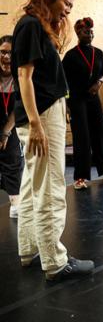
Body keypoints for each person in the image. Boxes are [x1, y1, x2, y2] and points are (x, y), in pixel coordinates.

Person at [11, 0, 94, 281]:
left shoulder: (33, 26)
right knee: (51, 186)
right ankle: (55, 261)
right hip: (43, 114)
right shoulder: (32, 25)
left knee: (33, 185)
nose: (68, 11)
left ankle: (30, 249)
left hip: (42, 113)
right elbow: (24, 76)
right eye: (66, 4)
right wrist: (35, 123)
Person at [62, 17, 103, 190]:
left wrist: (99, 83)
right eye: (85, 31)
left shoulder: (99, 53)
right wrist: (67, 105)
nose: (89, 34)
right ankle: (81, 177)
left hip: (93, 97)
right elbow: (64, 82)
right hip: (76, 99)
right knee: (82, 136)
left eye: (91, 31)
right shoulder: (70, 56)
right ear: (78, 33)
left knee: (100, 133)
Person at [0, 35, 23, 219]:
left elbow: (18, 108)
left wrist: (6, 132)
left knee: (13, 155)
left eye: (10, 53)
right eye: (2, 52)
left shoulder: (20, 76)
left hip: (11, 121)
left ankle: (15, 203)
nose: (6, 57)